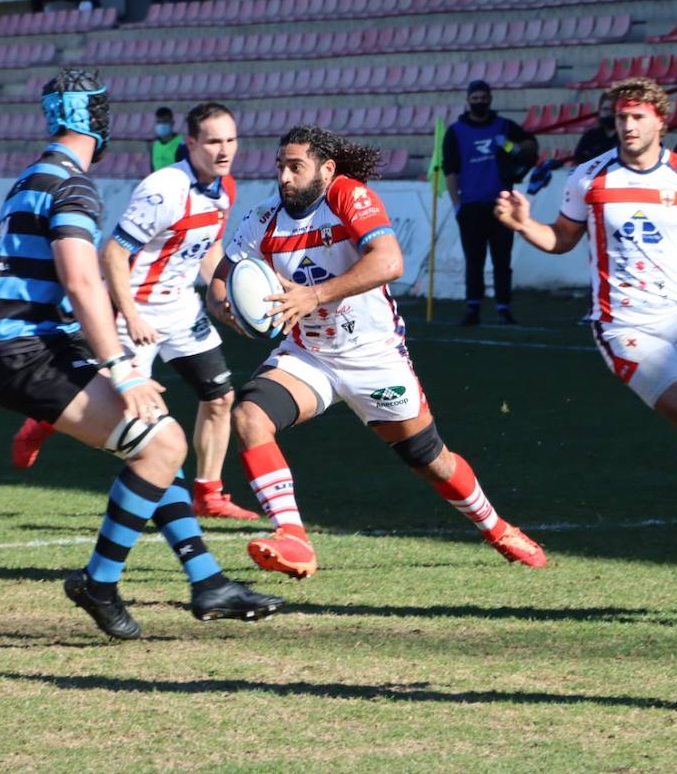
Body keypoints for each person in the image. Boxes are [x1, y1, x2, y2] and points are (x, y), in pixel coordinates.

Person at [0, 68, 282, 638]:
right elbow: (82, 281)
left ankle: (208, 580)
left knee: (157, 448)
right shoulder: (72, 185)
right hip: (30, 351)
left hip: (22, 346)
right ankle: (100, 582)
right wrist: (119, 367)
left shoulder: (34, 177)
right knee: (163, 441)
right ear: (96, 119)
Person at [206, 124, 546, 579]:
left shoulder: (349, 196)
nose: (284, 178)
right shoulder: (263, 218)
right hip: (310, 356)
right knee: (249, 417)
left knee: (430, 459)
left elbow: (389, 262)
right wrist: (224, 305)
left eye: (295, 167)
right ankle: (293, 537)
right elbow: (221, 277)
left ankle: (497, 528)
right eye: (280, 167)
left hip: (374, 356)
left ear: (326, 170)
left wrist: (314, 295)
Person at [495, 78, 677, 537]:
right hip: (624, 326)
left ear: (661, 120)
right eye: (621, 117)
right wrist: (525, 225)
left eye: (638, 116)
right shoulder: (590, 176)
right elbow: (562, 240)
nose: (627, 125)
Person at [11, 101, 259, 521]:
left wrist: (220, 294)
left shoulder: (226, 187)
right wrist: (131, 313)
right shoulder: (163, 189)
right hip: (135, 307)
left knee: (220, 398)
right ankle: (44, 421)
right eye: (214, 141)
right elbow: (112, 254)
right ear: (191, 142)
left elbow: (209, 247)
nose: (224, 150)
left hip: (180, 308)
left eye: (231, 140)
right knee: (139, 415)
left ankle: (209, 494)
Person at [441, 79, 537, 325]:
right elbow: (450, 171)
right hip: (471, 205)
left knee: (502, 260)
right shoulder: (455, 131)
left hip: (502, 204)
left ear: (490, 98)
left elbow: (530, 147)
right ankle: (473, 308)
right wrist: (457, 204)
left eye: (483, 98)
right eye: (475, 99)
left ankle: (504, 307)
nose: (480, 102)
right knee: (474, 260)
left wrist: (509, 146)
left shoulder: (504, 126)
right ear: (468, 101)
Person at [572, 94, 619, 163]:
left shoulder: (624, 136)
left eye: (613, 110)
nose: (609, 113)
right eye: (605, 109)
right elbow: (579, 158)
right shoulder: (591, 135)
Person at [149, 106, 187, 171]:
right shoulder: (154, 144)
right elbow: (152, 168)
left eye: (165, 122)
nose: (161, 125)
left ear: (172, 123)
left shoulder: (181, 143)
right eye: (159, 122)